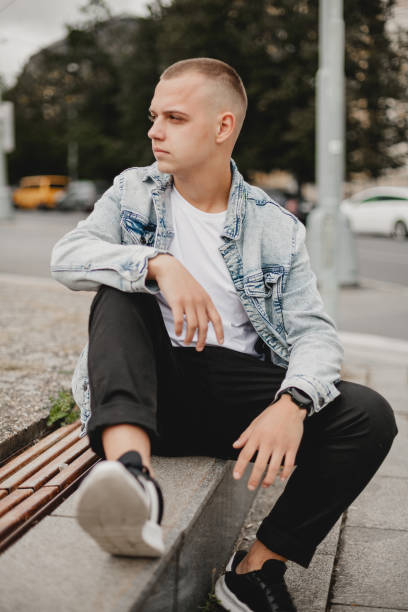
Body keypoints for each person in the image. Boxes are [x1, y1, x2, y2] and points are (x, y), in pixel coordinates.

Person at [51, 57, 398, 612]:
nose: (154, 131)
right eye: (153, 116)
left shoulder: (274, 226)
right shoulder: (133, 192)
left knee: (369, 415)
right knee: (118, 290)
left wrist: (293, 402)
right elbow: (67, 258)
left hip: (232, 401)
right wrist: (157, 263)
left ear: (222, 127)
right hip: (146, 390)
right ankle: (131, 476)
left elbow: (315, 333)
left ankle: (257, 568)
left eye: (174, 118)